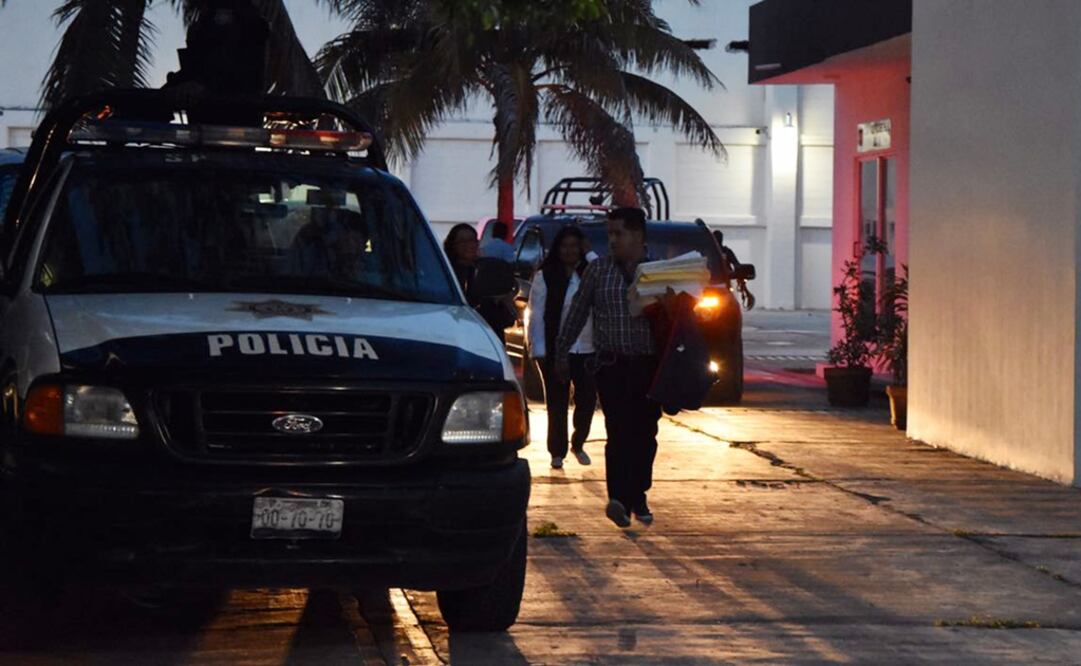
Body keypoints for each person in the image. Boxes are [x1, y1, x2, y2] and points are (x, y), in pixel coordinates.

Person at [556, 207, 662, 528]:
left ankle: (637, 494)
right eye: (609, 234)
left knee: (644, 433)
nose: (612, 240)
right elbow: (576, 313)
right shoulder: (598, 271)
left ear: (638, 236)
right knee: (617, 432)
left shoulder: (658, 271)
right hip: (611, 366)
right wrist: (561, 352)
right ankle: (618, 499)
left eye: (619, 234)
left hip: (649, 367)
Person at [527, 226, 597, 470]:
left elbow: (606, 273)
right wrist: (540, 350)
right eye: (564, 246)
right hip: (556, 349)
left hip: (587, 348)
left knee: (587, 400)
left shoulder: (591, 272)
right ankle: (557, 451)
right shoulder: (545, 275)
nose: (569, 251)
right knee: (557, 403)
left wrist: (590, 256)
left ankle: (579, 442)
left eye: (574, 246)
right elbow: (537, 315)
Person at [444, 223, 516, 341]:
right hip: (456, 332)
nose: (469, 245)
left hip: (489, 334)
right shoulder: (445, 272)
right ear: (452, 245)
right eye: (462, 241)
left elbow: (506, 314)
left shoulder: (490, 268)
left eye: (472, 240)